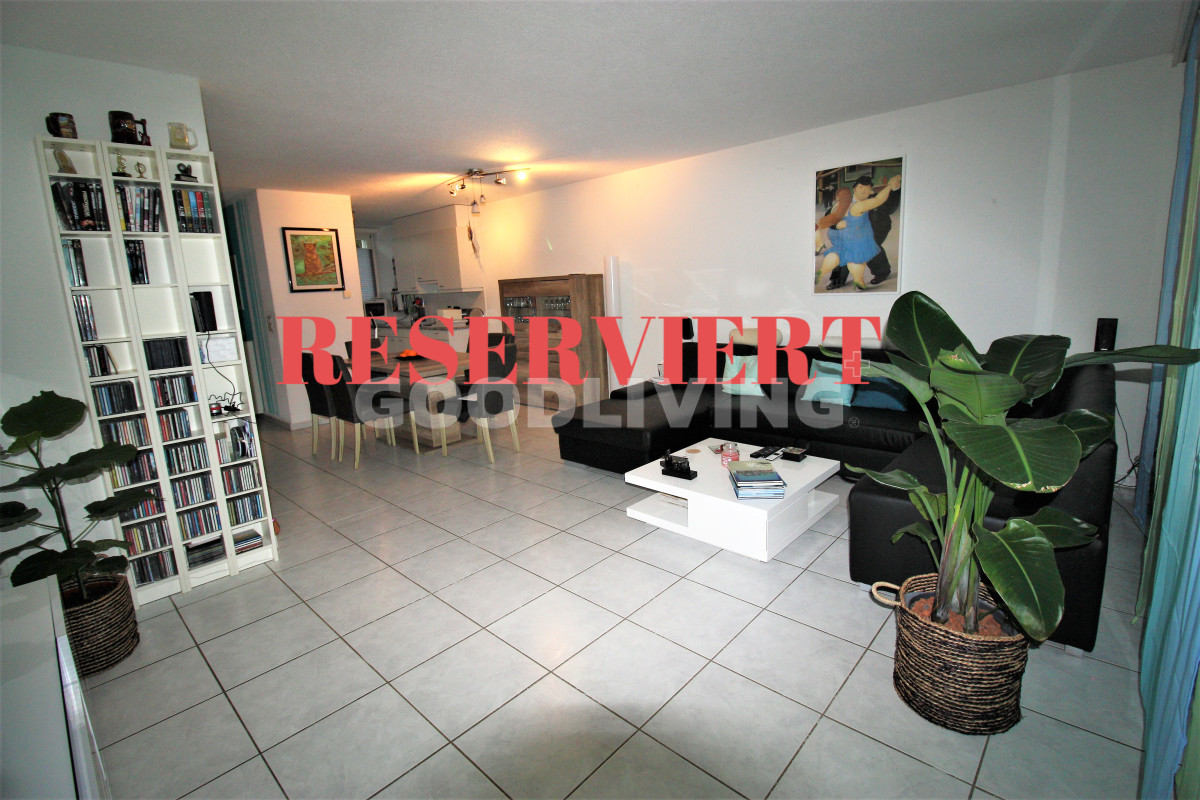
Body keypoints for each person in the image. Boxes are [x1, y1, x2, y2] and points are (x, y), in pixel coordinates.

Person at [815, 173, 901, 290]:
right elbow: (829, 217)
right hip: (850, 233)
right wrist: (837, 225)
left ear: (871, 190)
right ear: (855, 188)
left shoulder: (873, 199)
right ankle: (838, 279)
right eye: (861, 187)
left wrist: (895, 188)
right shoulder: (844, 201)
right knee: (842, 250)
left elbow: (890, 206)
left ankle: (881, 272)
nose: (864, 190)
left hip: (876, 228)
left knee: (869, 246)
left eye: (867, 188)